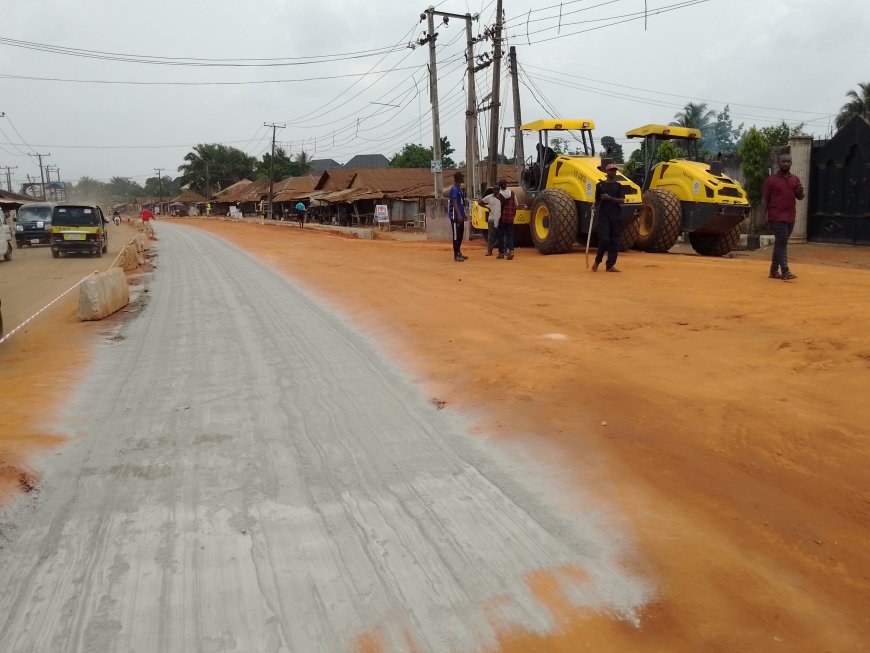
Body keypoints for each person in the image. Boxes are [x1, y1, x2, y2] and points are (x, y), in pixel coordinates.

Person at [762, 153, 804, 281]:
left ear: (791, 163)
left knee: (780, 242)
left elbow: (800, 197)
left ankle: (774, 271)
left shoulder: (795, 179)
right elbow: (765, 200)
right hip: (776, 216)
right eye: (783, 161)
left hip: (790, 216)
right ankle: (785, 271)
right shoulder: (771, 180)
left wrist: (801, 192)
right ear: (778, 163)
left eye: (788, 161)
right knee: (782, 241)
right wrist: (763, 216)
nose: (786, 163)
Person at [592, 164, 625, 272]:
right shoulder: (600, 185)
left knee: (615, 242)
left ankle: (610, 265)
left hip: (616, 217)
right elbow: (597, 200)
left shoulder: (618, 186)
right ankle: (597, 261)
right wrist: (594, 206)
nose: (614, 172)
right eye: (611, 170)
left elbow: (622, 201)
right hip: (604, 217)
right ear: (607, 172)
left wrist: (609, 198)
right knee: (604, 240)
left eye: (615, 171)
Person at [448, 172, 467, 262]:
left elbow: (461, 203)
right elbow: (454, 202)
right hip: (455, 216)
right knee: (456, 236)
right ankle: (456, 255)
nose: (463, 178)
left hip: (460, 215)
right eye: (462, 177)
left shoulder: (459, 189)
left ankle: (459, 252)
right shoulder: (454, 189)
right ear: (459, 178)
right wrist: (459, 214)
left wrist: (464, 214)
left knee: (460, 235)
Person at [497, 179, 517, 260]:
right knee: (510, 234)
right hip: (511, 217)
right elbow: (516, 204)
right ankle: (511, 250)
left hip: (502, 218)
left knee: (501, 235)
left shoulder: (499, 195)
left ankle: (502, 253)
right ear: (506, 184)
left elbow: (498, 208)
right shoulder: (512, 193)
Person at [480, 187, 502, 257]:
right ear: (493, 190)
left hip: (499, 219)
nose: (496, 191)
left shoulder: (502, 198)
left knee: (500, 235)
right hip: (491, 219)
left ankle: (501, 251)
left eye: (497, 190)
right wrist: (487, 207)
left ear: (499, 190)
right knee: (491, 235)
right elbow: (480, 202)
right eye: (495, 189)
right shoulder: (489, 197)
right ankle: (489, 250)